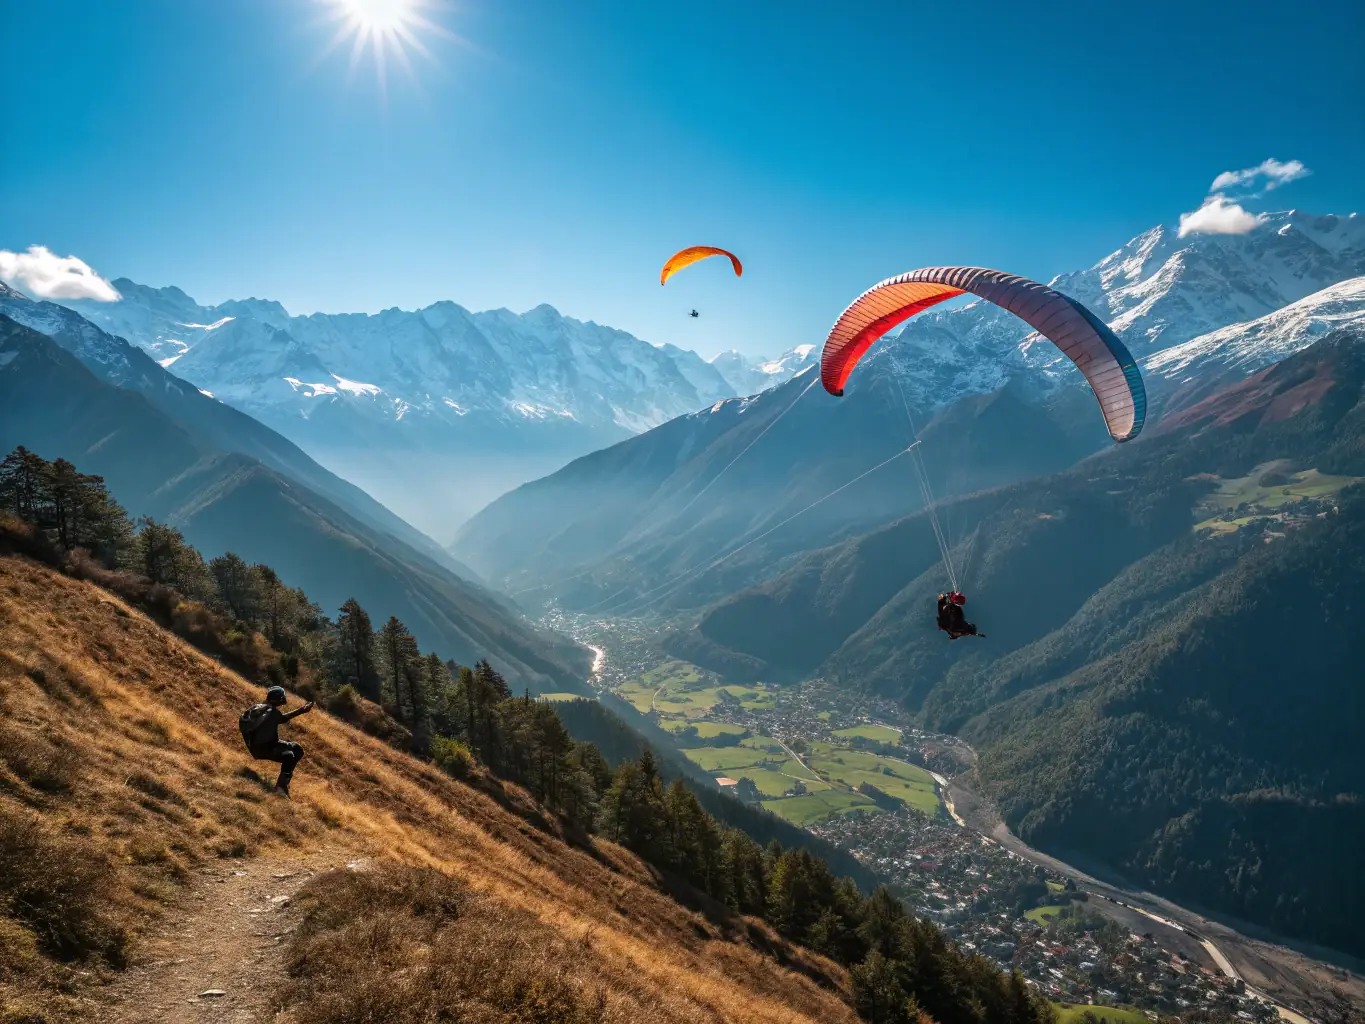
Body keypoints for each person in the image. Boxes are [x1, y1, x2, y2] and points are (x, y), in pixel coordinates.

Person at [238, 686, 314, 796]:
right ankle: (281, 789)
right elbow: (283, 719)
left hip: (256, 746)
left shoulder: (259, 707)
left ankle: (283, 784)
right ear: (279, 699)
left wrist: (301, 710)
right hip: (263, 749)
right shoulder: (271, 712)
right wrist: (302, 710)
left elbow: (280, 719)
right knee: (289, 755)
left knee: (297, 749)